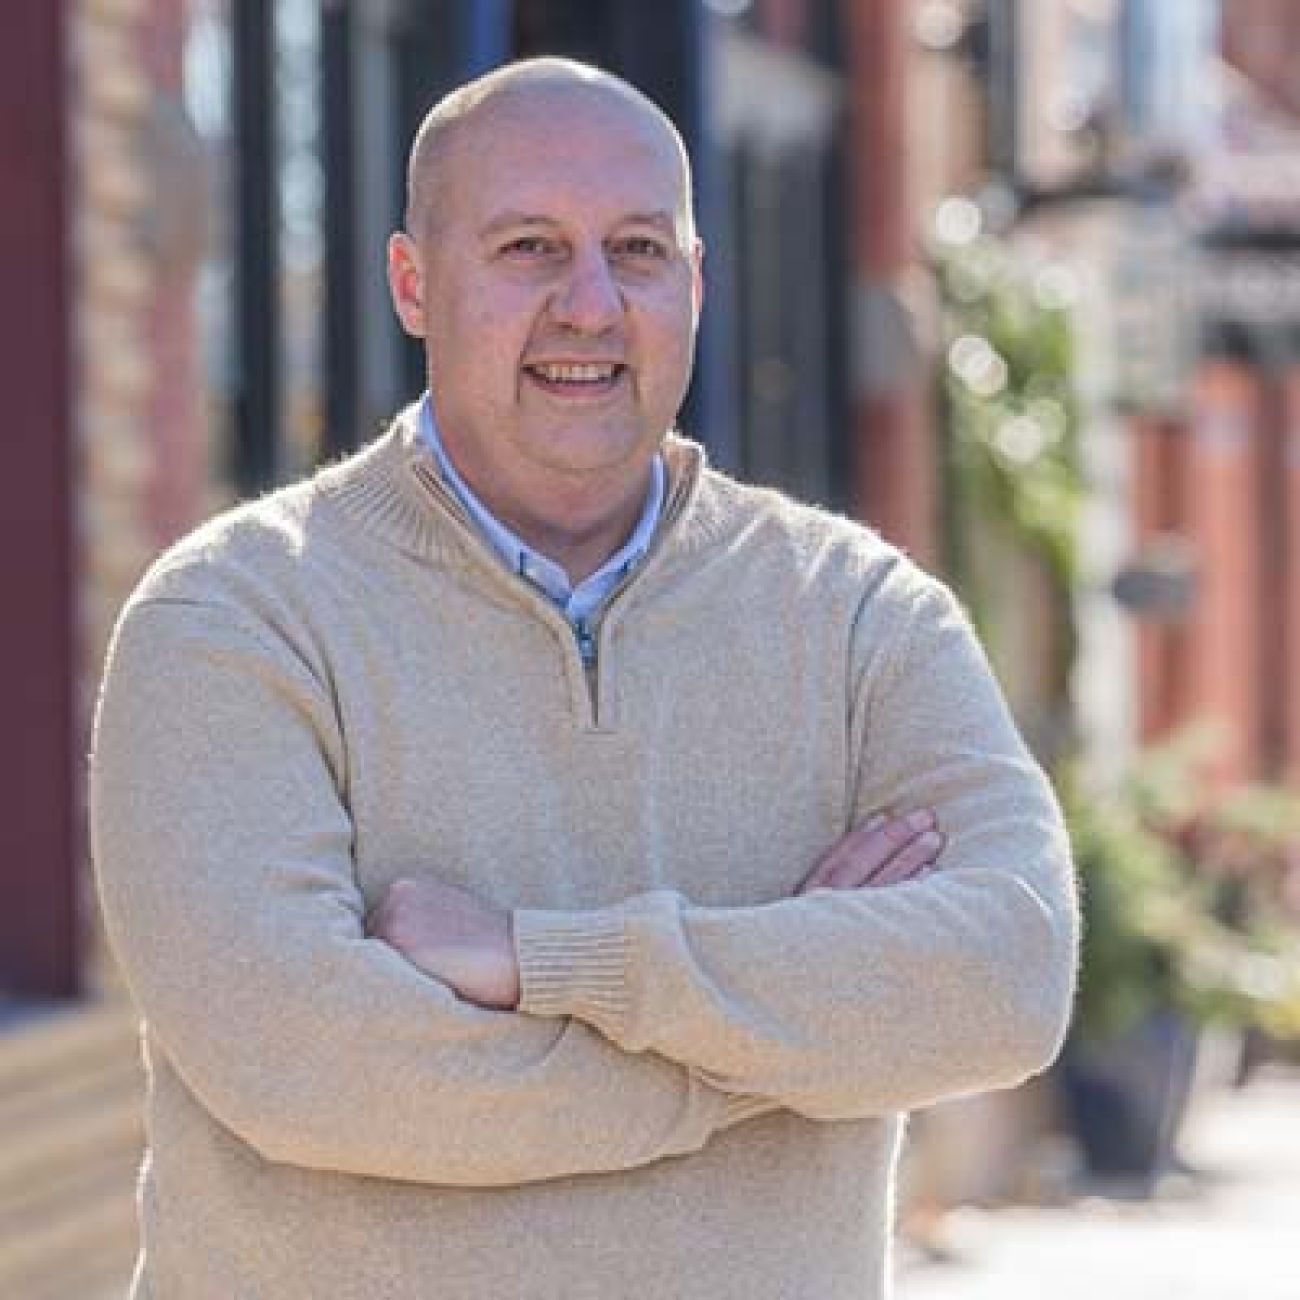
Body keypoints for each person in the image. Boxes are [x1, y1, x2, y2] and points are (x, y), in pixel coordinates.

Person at [90, 57, 1078, 1300]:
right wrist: (778, 1043)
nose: (591, 305)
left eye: (638, 250)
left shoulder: (857, 617)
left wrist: (543, 962)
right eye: (528, 248)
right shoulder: (234, 615)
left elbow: (1010, 973)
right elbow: (308, 1064)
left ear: (697, 283)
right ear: (411, 283)